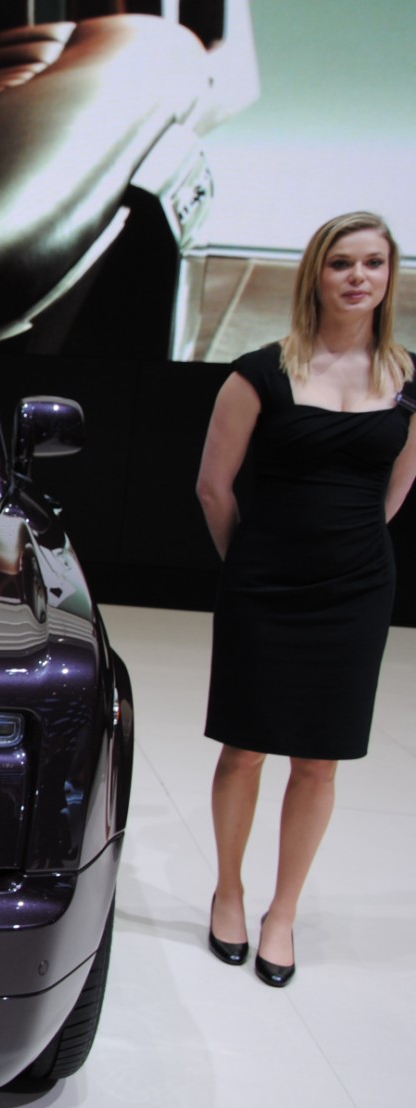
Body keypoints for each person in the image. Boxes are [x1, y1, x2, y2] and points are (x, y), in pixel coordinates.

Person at [196, 211, 416, 987]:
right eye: (341, 263)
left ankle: (282, 913)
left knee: (318, 762)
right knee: (244, 748)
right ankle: (228, 891)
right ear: (314, 274)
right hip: (263, 584)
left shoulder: (407, 381)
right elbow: (213, 487)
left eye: (373, 263)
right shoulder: (259, 372)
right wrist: (251, 566)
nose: (358, 277)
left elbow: (395, 488)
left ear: (389, 276)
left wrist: (346, 550)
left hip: (355, 591)